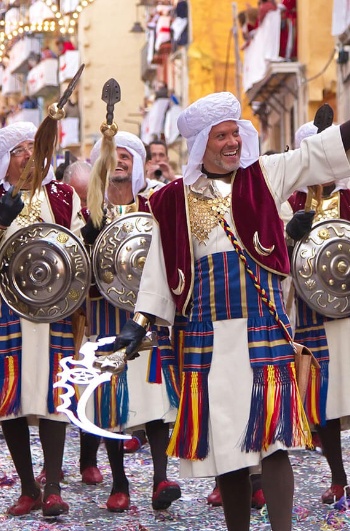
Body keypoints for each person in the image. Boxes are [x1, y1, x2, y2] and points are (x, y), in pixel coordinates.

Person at [112, 91, 350, 531]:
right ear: (202, 143)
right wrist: (137, 323)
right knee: (226, 446)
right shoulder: (170, 200)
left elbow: (315, 155)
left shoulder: (264, 175)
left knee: (276, 442)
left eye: (235, 133)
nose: (232, 142)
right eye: (221, 135)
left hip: (263, 327)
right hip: (206, 336)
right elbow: (159, 268)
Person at [79, 130, 181, 512]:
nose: (119, 161)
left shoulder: (154, 206)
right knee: (112, 405)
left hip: (149, 315)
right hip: (106, 318)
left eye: (126, 155)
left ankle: (160, 478)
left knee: (153, 398)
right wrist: (86, 243)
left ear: (137, 164)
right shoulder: (87, 213)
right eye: (112, 156)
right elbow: (73, 271)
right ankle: (119, 483)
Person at [0, 122, 84, 517]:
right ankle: (28, 486)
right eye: (18, 149)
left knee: (54, 395)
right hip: (7, 312)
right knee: (9, 400)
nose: (28, 155)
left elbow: (79, 247)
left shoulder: (64, 196)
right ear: (5, 162)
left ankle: (52, 486)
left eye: (33, 147)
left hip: (55, 311)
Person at [286, 120, 350, 505]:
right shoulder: (289, 205)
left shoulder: (349, 199)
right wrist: (289, 233)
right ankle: (339, 478)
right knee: (325, 406)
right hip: (312, 318)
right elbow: (273, 256)